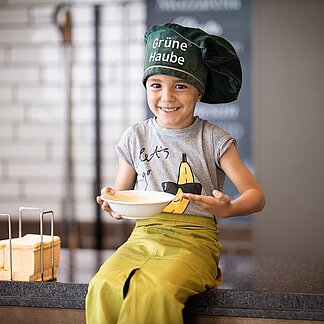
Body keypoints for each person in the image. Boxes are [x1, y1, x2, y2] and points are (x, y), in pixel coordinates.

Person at [86, 23, 265, 324]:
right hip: (143, 236)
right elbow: (119, 198)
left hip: (195, 241)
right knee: (102, 286)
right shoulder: (135, 137)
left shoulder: (213, 138)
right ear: (146, 87)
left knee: (153, 292)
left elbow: (256, 196)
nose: (167, 96)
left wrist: (230, 207)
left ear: (199, 91)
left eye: (180, 85)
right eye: (156, 85)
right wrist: (111, 204)